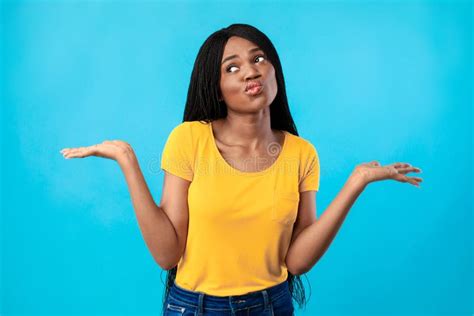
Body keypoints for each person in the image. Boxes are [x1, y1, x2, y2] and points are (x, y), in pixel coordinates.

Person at [60, 23, 423, 316]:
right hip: (194, 307)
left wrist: (355, 183)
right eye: (231, 67)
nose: (250, 70)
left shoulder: (302, 153)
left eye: (259, 59)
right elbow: (167, 254)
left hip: (272, 305)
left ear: (274, 71)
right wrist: (127, 160)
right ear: (217, 89)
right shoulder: (190, 140)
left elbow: (296, 261)